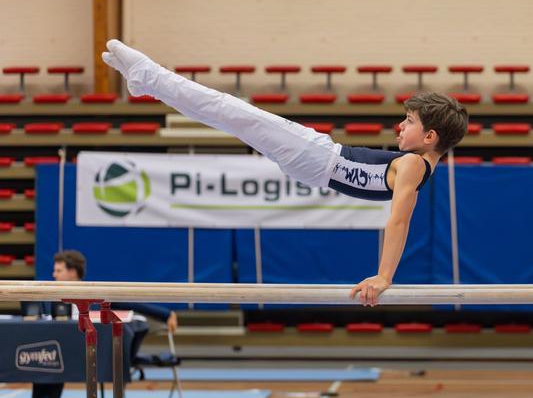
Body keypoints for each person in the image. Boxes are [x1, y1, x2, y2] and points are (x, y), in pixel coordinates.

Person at [102, 40, 468, 307]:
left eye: (409, 122)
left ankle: (148, 77)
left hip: (315, 157)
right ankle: (147, 81)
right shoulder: (419, 170)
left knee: (228, 109)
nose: (399, 127)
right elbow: (399, 220)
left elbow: (398, 223)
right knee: (226, 115)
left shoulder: (413, 165)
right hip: (314, 166)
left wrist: (384, 276)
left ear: (430, 137)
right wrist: (384, 273)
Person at [28, 250, 178, 398]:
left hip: (93, 354)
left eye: (58, 270)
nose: (54, 275)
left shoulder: (96, 295)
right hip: (63, 354)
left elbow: (133, 303)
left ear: (72, 272)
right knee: (47, 361)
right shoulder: (49, 297)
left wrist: (165, 314)